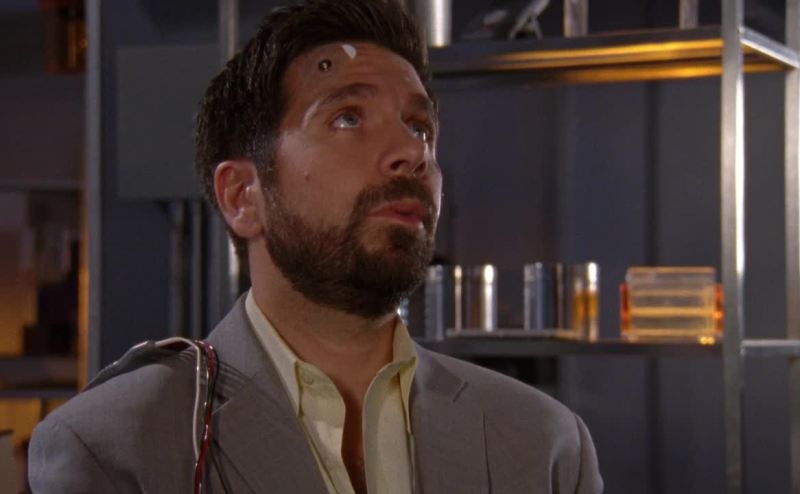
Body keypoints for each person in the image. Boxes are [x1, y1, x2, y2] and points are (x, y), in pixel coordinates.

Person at [28, 1, 603, 492]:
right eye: (348, 118)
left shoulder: (545, 446)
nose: (412, 153)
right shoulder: (117, 446)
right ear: (242, 196)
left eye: (419, 127)